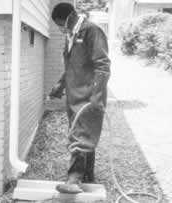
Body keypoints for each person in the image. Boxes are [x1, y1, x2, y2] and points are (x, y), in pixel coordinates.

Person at [50, 3, 111, 194]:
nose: (61, 28)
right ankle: (87, 176)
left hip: (88, 95)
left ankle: (74, 180)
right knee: (85, 135)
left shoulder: (91, 31)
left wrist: (97, 96)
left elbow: (103, 65)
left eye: (61, 24)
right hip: (74, 95)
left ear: (71, 17)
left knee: (80, 136)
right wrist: (60, 85)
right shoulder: (72, 34)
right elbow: (71, 66)